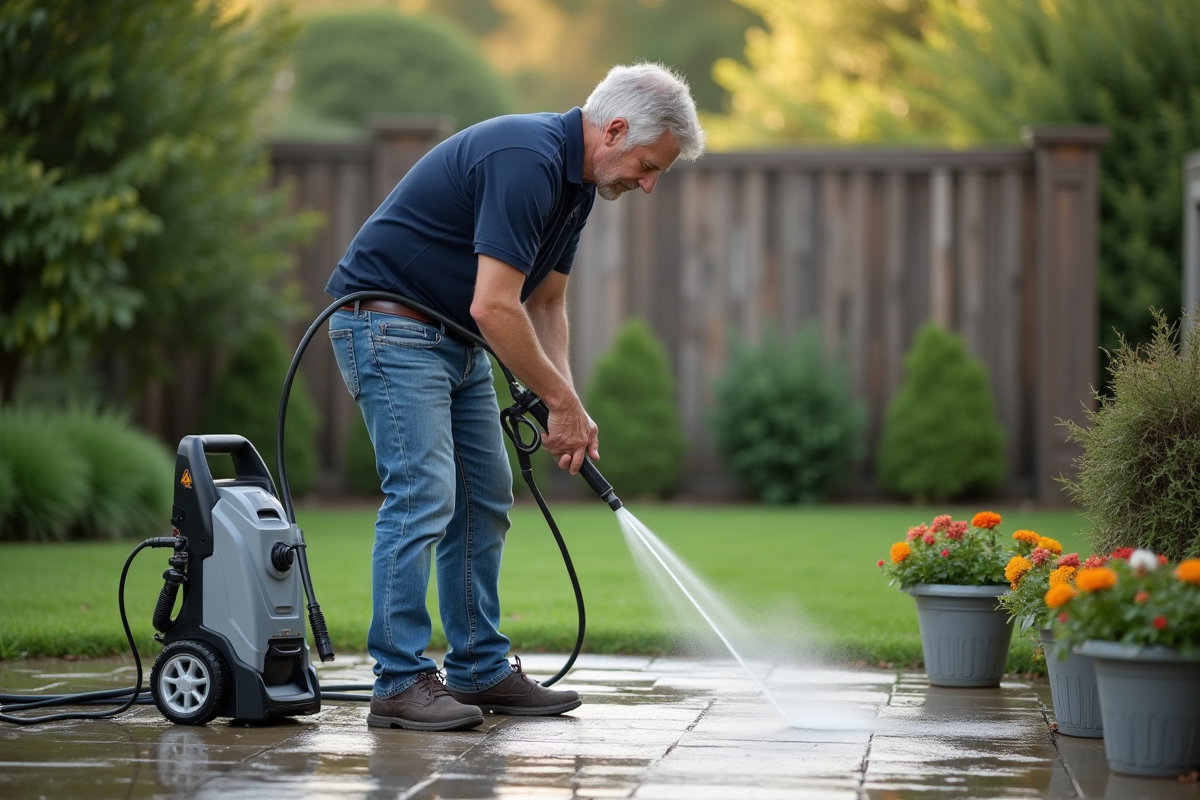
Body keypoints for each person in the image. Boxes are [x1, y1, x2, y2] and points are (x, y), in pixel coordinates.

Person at [324, 63, 705, 731]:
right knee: (423, 492)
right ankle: (399, 681)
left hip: (454, 338)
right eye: (649, 165)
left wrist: (569, 404)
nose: (648, 183)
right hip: (387, 324)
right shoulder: (525, 158)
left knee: (485, 495)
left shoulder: (578, 187)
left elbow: (547, 303)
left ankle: (478, 670)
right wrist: (557, 401)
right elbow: (496, 306)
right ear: (614, 130)